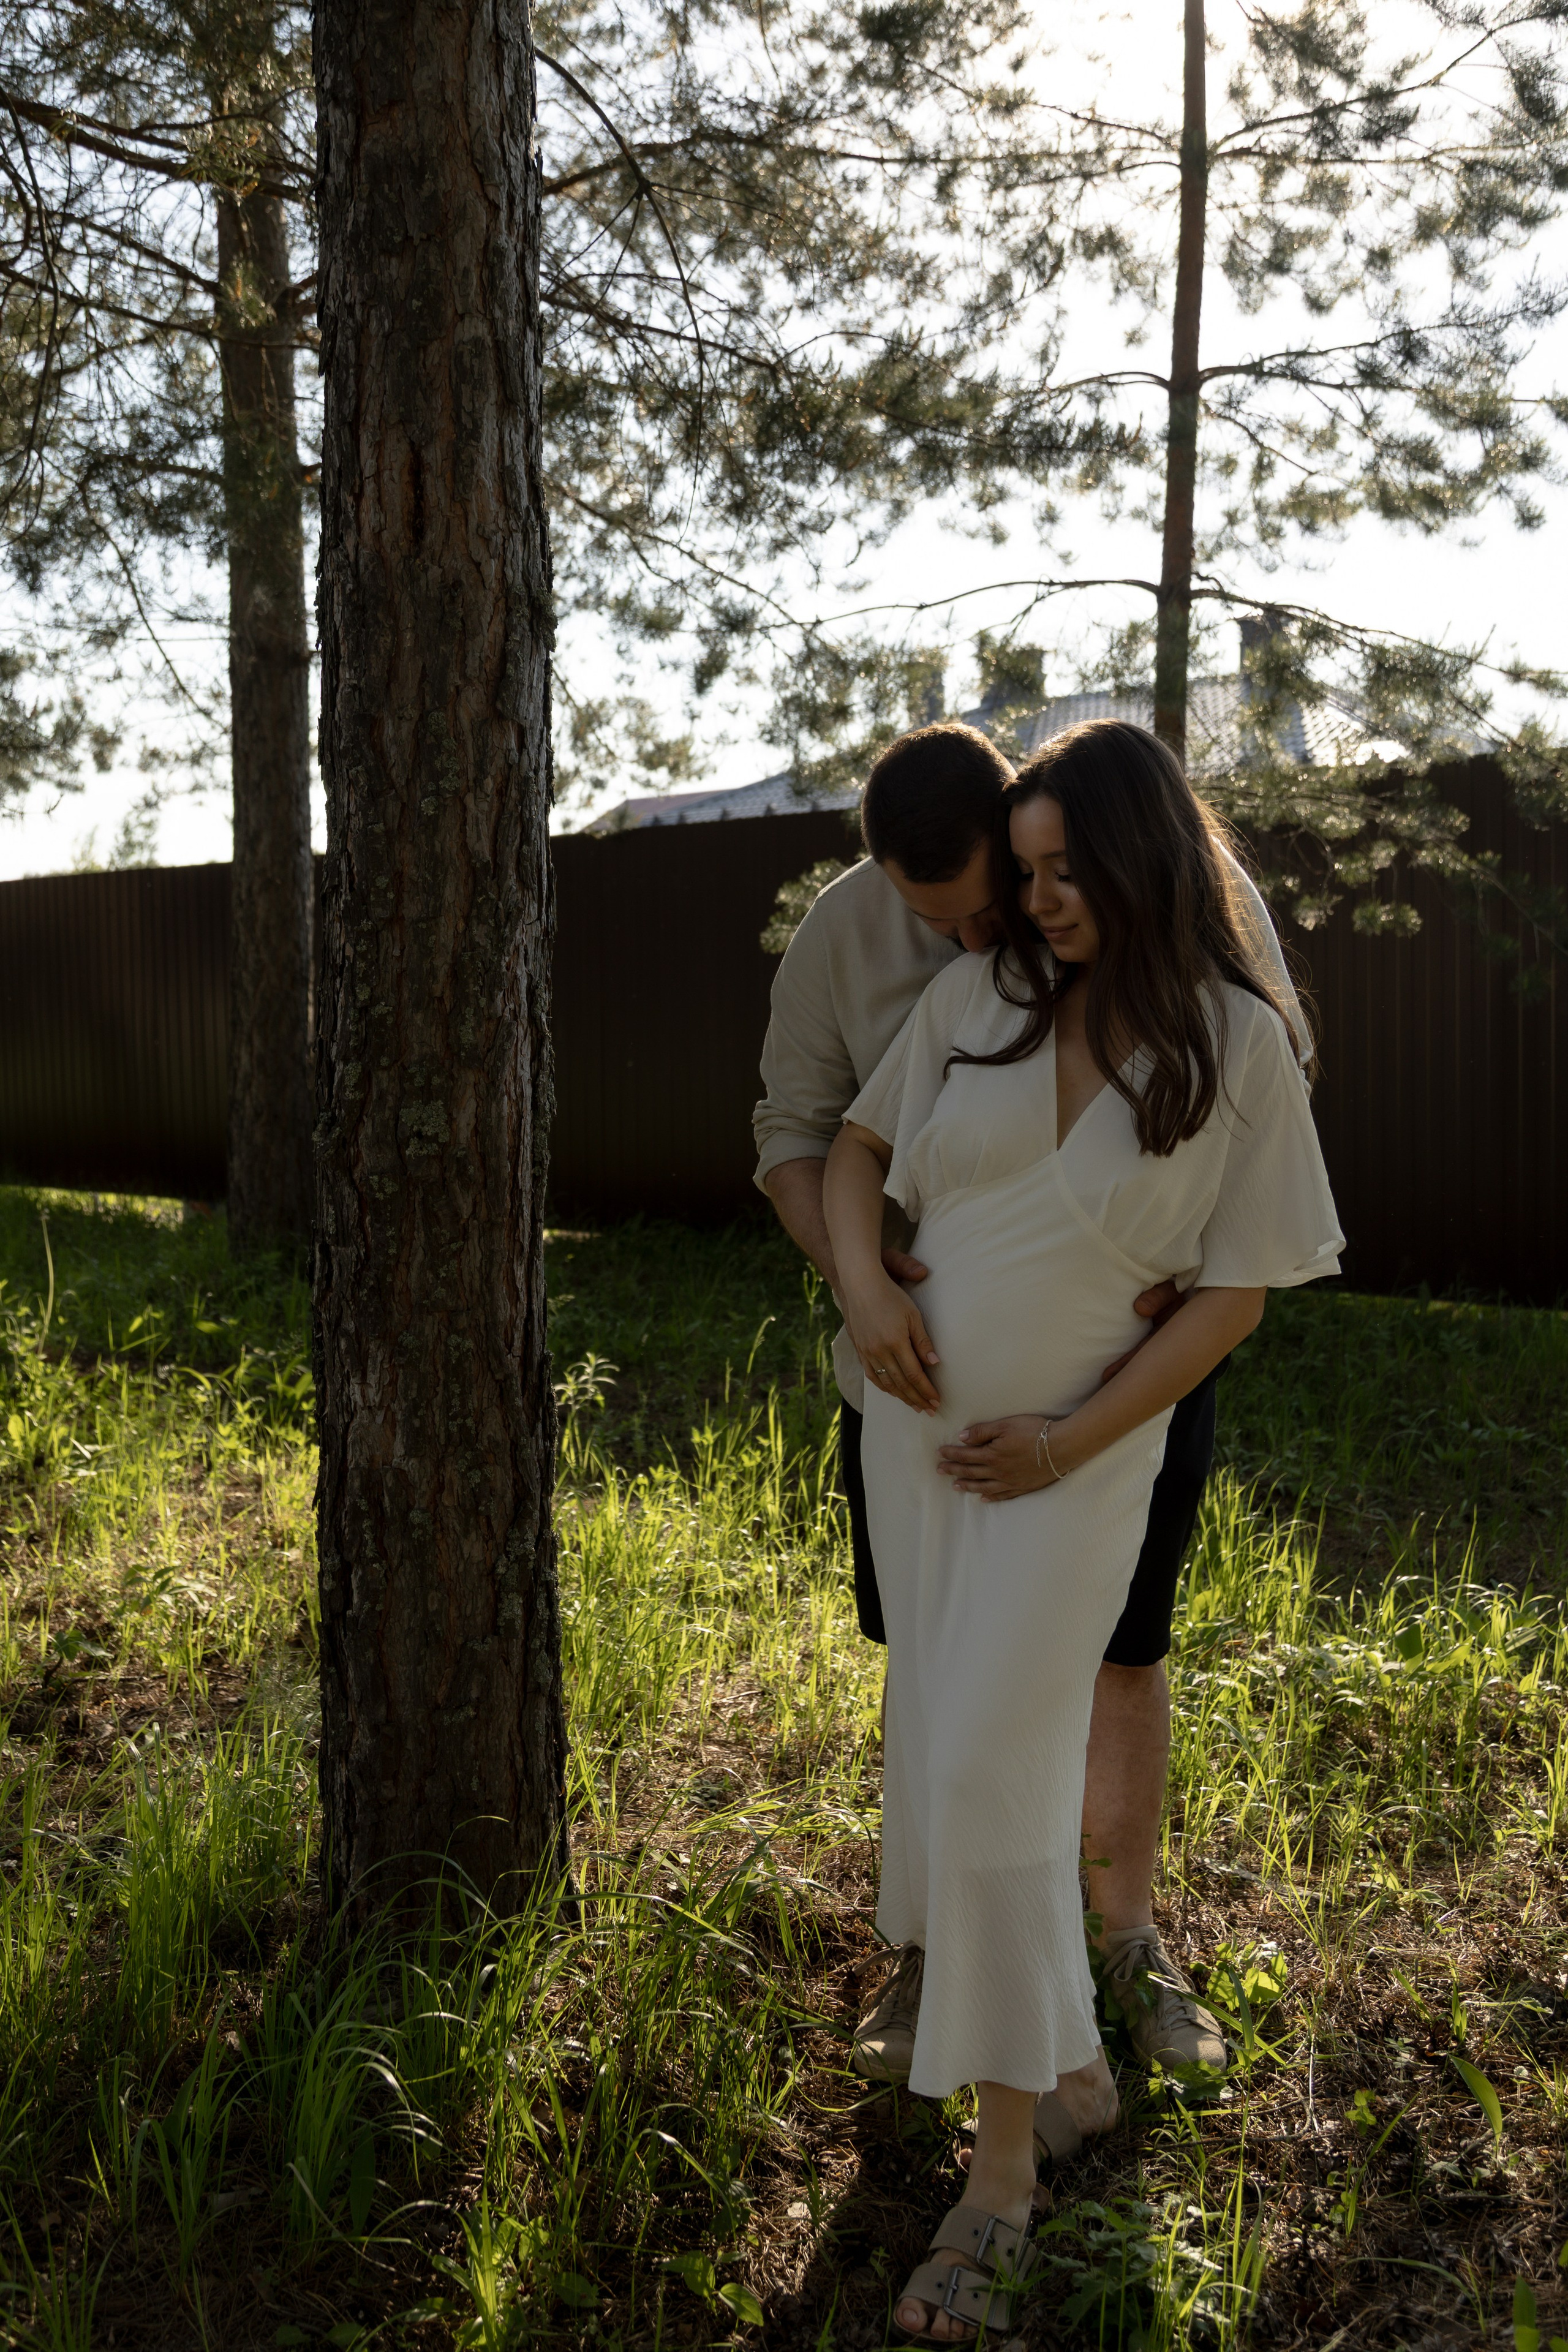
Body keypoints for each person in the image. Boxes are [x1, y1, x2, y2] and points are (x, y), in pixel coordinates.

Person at [821, 719, 1341, 2342]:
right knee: (945, 1751)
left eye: (1063, 869)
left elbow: (1236, 1298)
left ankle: (998, 2186)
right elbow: (856, 1152)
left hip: (1074, 1468)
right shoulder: (984, 999)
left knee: (993, 1765)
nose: (1037, 900)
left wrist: (1066, 1442)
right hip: (919, 1444)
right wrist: (863, 1284)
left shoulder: (1237, 1046)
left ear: (1139, 855)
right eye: (1027, 870)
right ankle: (1069, 2079)